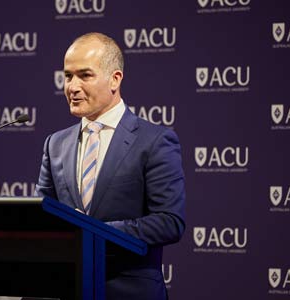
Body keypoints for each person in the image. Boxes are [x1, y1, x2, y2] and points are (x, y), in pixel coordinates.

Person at [36, 32, 185, 300]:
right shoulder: (54, 144)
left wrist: (95, 232)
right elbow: (43, 215)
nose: (72, 86)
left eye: (85, 75)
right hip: (66, 289)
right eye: (68, 76)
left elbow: (169, 222)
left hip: (128, 292)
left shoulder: (155, 141)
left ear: (115, 79)